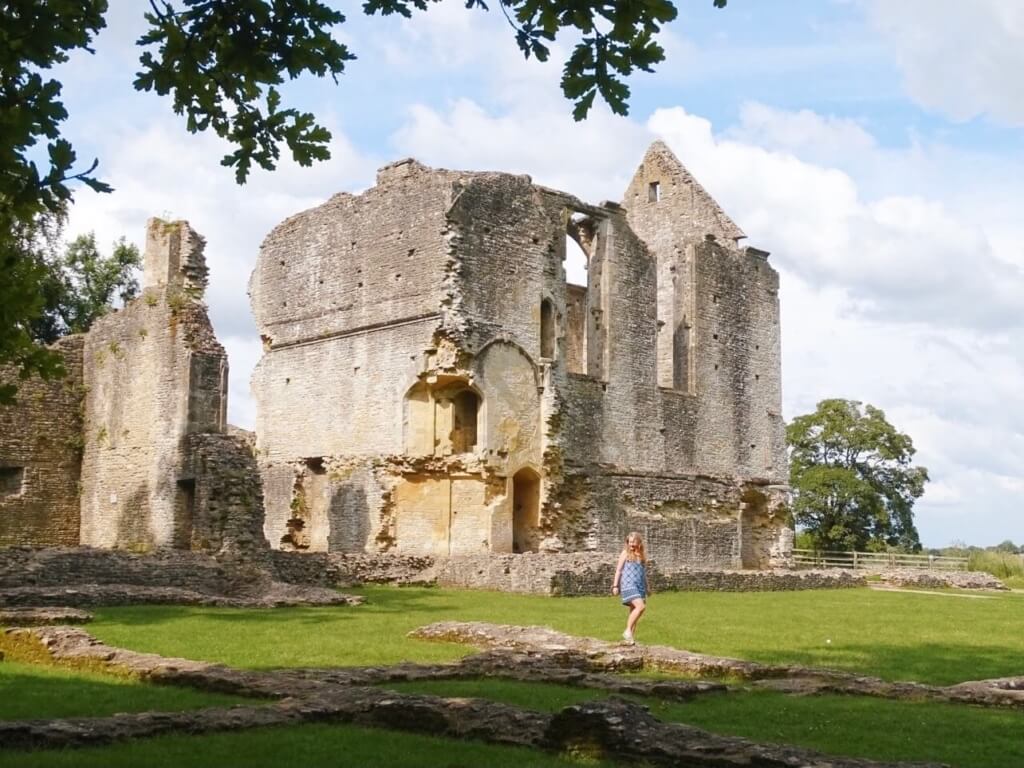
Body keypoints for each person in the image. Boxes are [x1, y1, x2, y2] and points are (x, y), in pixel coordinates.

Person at [611, 531, 649, 645]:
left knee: (634, 612)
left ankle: (630, 639)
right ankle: (627, 631)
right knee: (641, 607)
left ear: (639, 542)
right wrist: (615, 585)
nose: (631, 544)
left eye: (633, 541)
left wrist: (648, 587)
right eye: (630, 541)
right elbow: (619, 570)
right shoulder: (625, 553)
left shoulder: (641, 555)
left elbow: (643, 573)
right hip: (628, 584)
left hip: (639, 585)